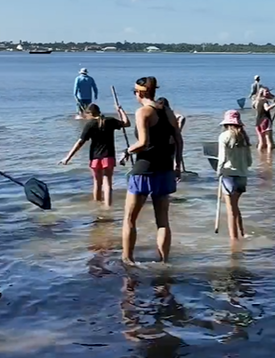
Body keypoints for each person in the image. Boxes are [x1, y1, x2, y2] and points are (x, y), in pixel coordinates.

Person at [121, 77, 184, 265]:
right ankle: (164, 261)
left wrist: (126, 151)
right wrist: (177, 165)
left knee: (130, 219)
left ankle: (128, 260)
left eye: (134, 92)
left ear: (140, 92)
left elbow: (143, 143)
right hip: (165, 169)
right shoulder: (167, 111)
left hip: (144, 169)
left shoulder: (143, 112)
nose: (135, 95)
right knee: (163, 221)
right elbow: (179, 140)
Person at [60, 103, 131, 208]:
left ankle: (97, 207)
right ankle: (108, 207)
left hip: (95, 158)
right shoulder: (110, 121)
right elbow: (127, 123)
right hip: (108, 157)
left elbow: (79, 143)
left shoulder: (90, 125)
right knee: (108, 184)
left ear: (89, 114)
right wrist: (120, 110)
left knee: (97, 184)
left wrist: (68, 157)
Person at [217, 110, 253, 241]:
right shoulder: (244, 137)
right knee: (235, 206)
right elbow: (249, 161)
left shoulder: (224, 136)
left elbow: (222, 158)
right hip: (242, 176)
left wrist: (218, 172)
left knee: (230, 210)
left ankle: (234, 240)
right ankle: (242, 233)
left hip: (229, 175)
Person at [253, 87, 275, 151]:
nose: (268, 92)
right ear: (262, 93)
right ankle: (269, 159)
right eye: (266, 91)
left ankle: (260, 158)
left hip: (258, 122)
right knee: (269, 142)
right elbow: (267, 108)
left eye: (268, 91)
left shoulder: (256, 101)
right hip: (265, 121)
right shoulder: (264, 101)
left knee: (261, 142)